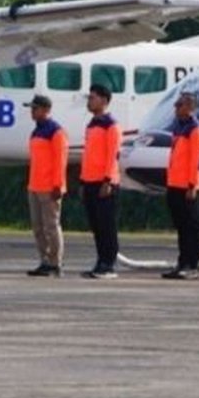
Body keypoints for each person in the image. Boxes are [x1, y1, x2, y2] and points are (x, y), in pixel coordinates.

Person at [162, 92, 199, 280]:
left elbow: (197, 160)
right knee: (181, 226)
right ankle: (183, 261)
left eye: (179, 105)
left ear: (189, 107)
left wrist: (192, 185)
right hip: (174, 182)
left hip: (186, 185)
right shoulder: (179, 128)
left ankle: (191, 264)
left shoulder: (195, 129)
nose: (176, 108)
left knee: (191, 226)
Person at [80, 84, 121, 279]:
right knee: (96, 225)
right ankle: (100, 260)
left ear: (104, 101)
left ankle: (109, 263)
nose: (90, 101)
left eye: (93, 97)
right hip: (90, 180)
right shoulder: (92, 124)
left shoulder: (110, 125)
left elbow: (113, 155)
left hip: (104, 182)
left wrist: (108, 180)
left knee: (106, 225)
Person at [25, 94, 68, 277]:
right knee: (38, 227)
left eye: (35, 108)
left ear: (45, 110)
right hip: (35, 185)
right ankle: (44, 260)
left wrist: (57, 185)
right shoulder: (36, 132)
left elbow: (60, 160)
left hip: (49, 186)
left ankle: (55, 262)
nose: (32, 112)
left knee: (51, 226)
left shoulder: (56, 132)